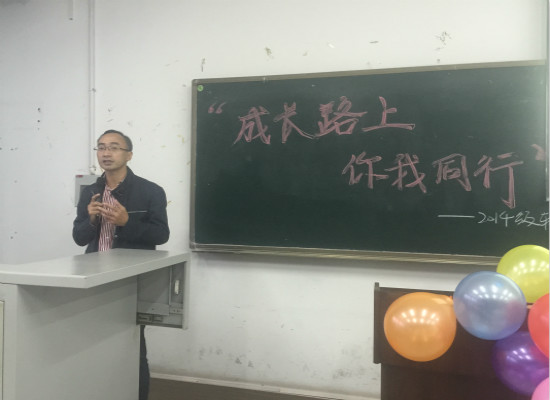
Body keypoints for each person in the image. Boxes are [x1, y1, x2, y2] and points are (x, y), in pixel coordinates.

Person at [73, 129, 170, 400]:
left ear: (129, 155)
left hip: (130, 279)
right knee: (93, 343)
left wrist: (127, 222)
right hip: (95, 277)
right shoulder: (90, 192)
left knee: (132, 346)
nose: (106, 153)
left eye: (114, 147)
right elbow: (79, 238)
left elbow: (161, 235)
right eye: (101, 147)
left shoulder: (150, 191)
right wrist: (90, 220)